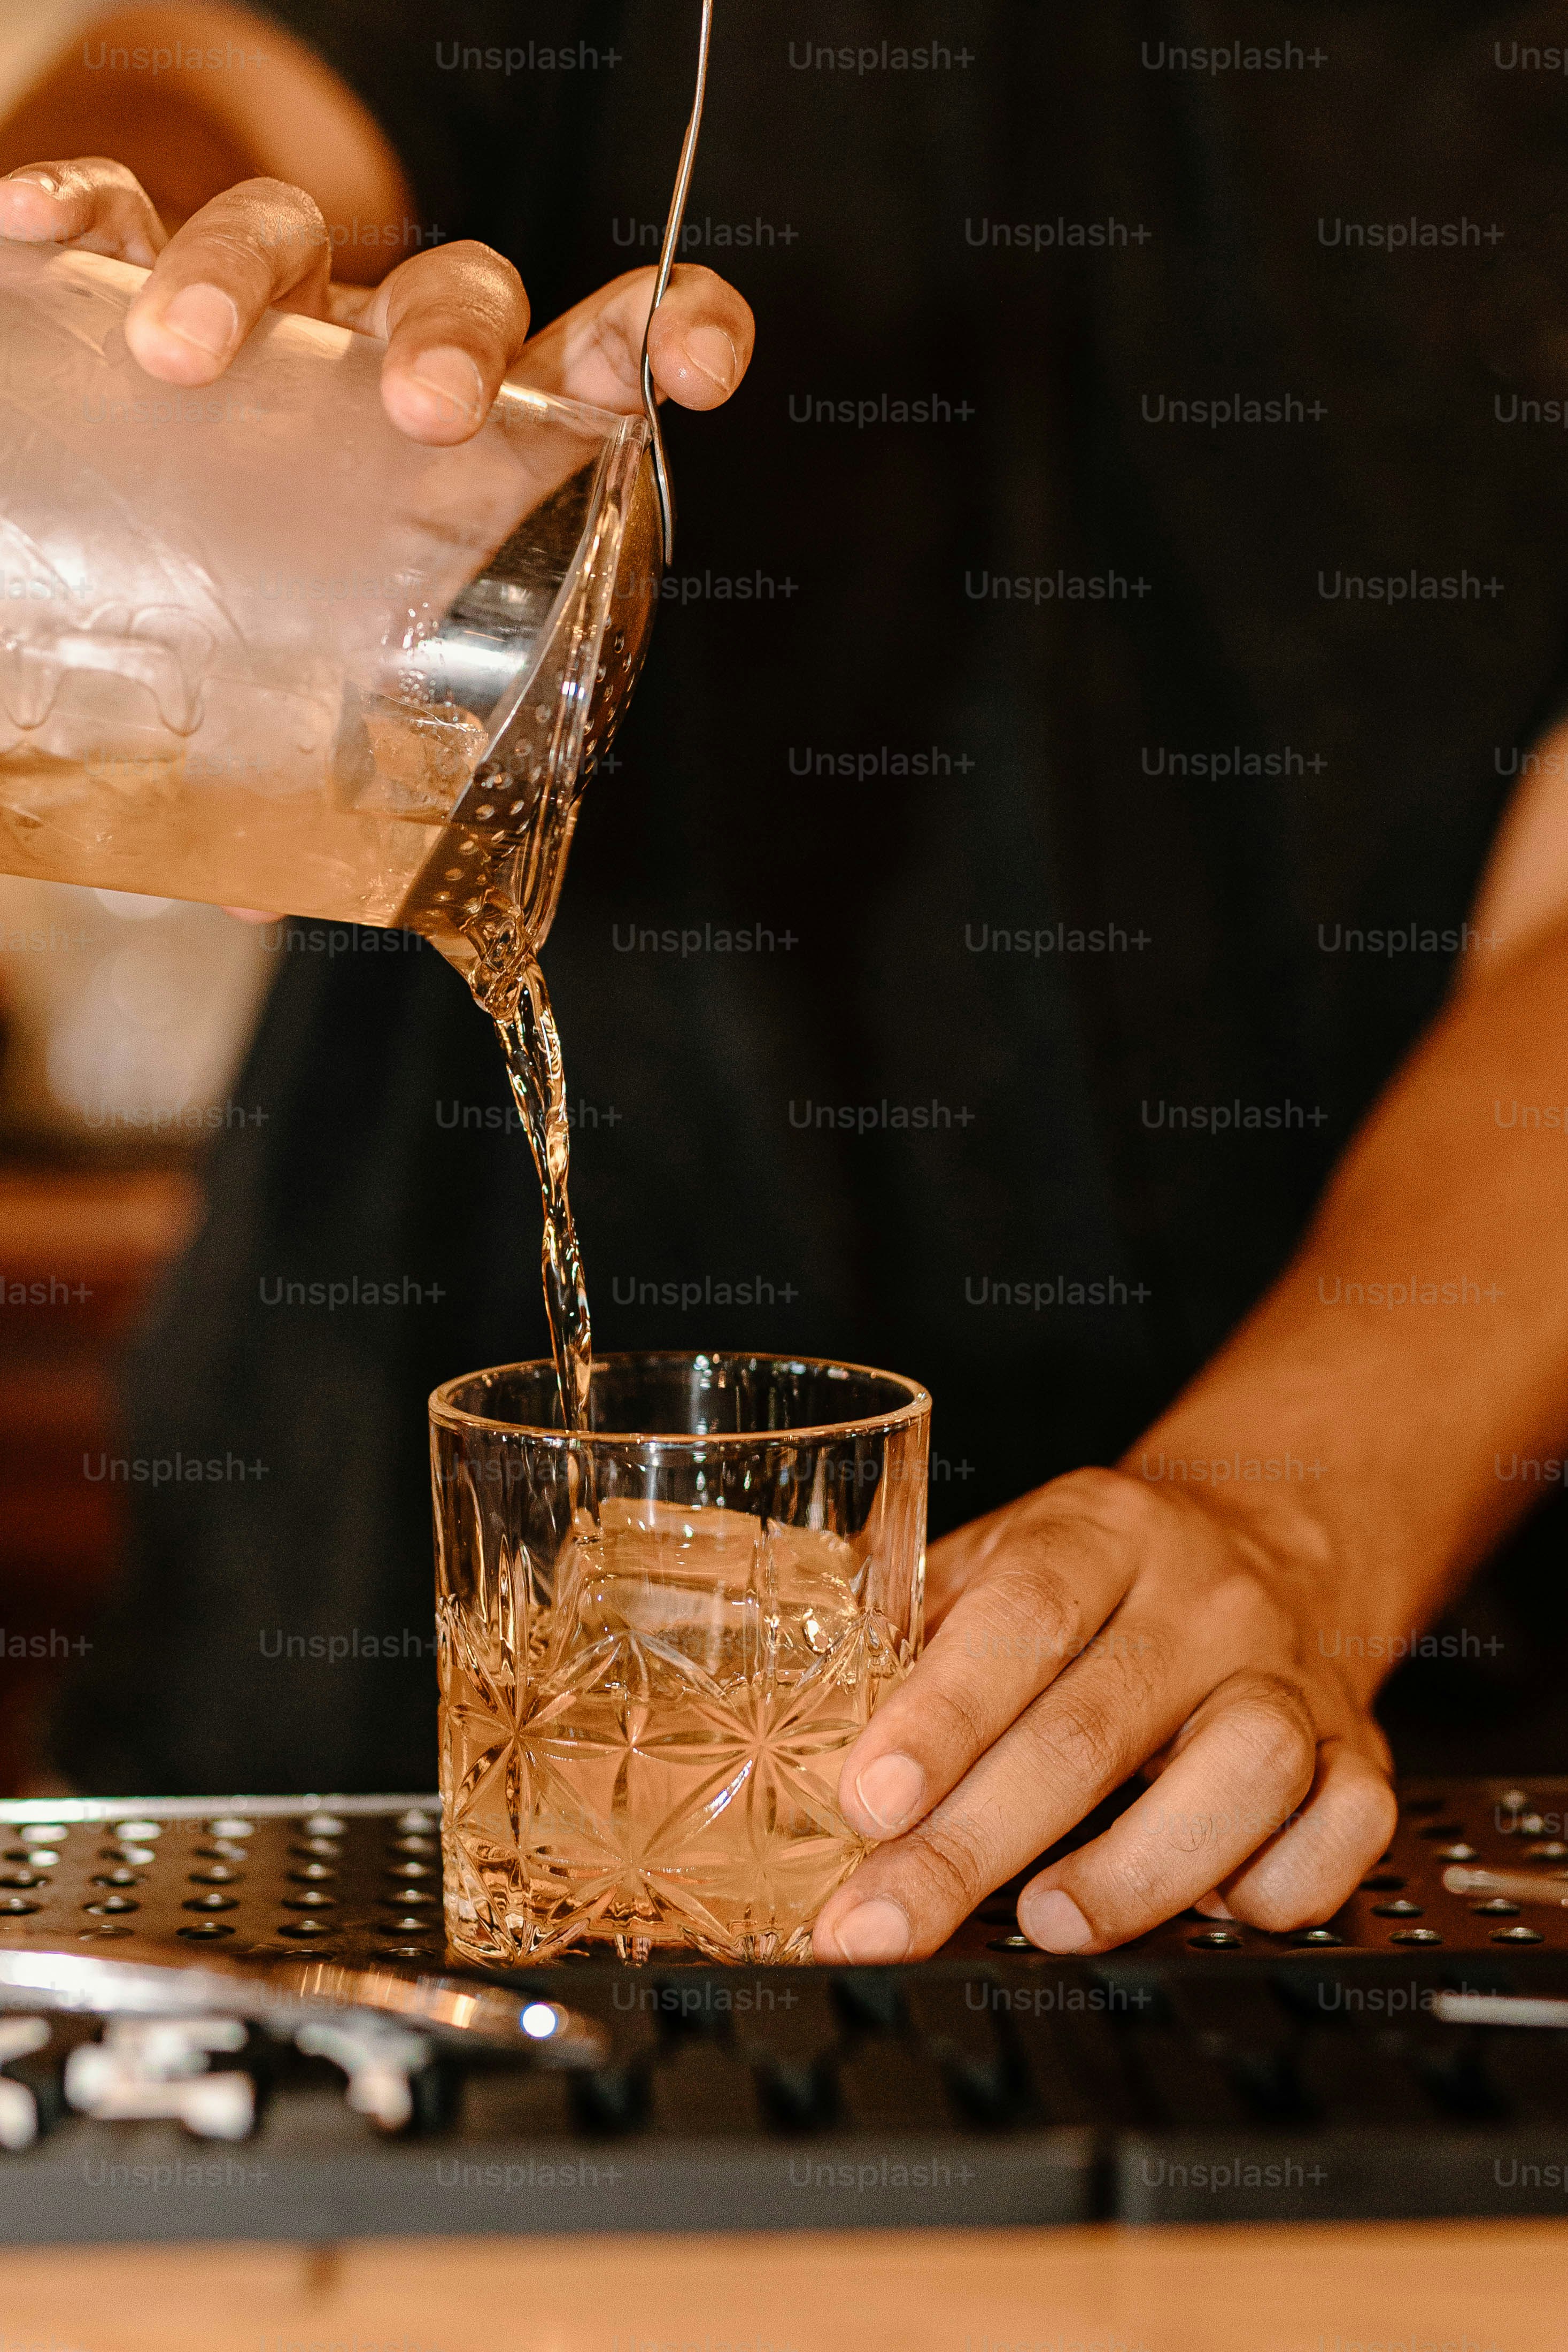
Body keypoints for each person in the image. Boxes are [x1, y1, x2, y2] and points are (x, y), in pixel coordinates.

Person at [10, 1, 1568, 1963]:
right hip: (345, 1744)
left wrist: (1300, 1520)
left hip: (1287, 1781)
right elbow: (234, 74)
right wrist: (132, 299)